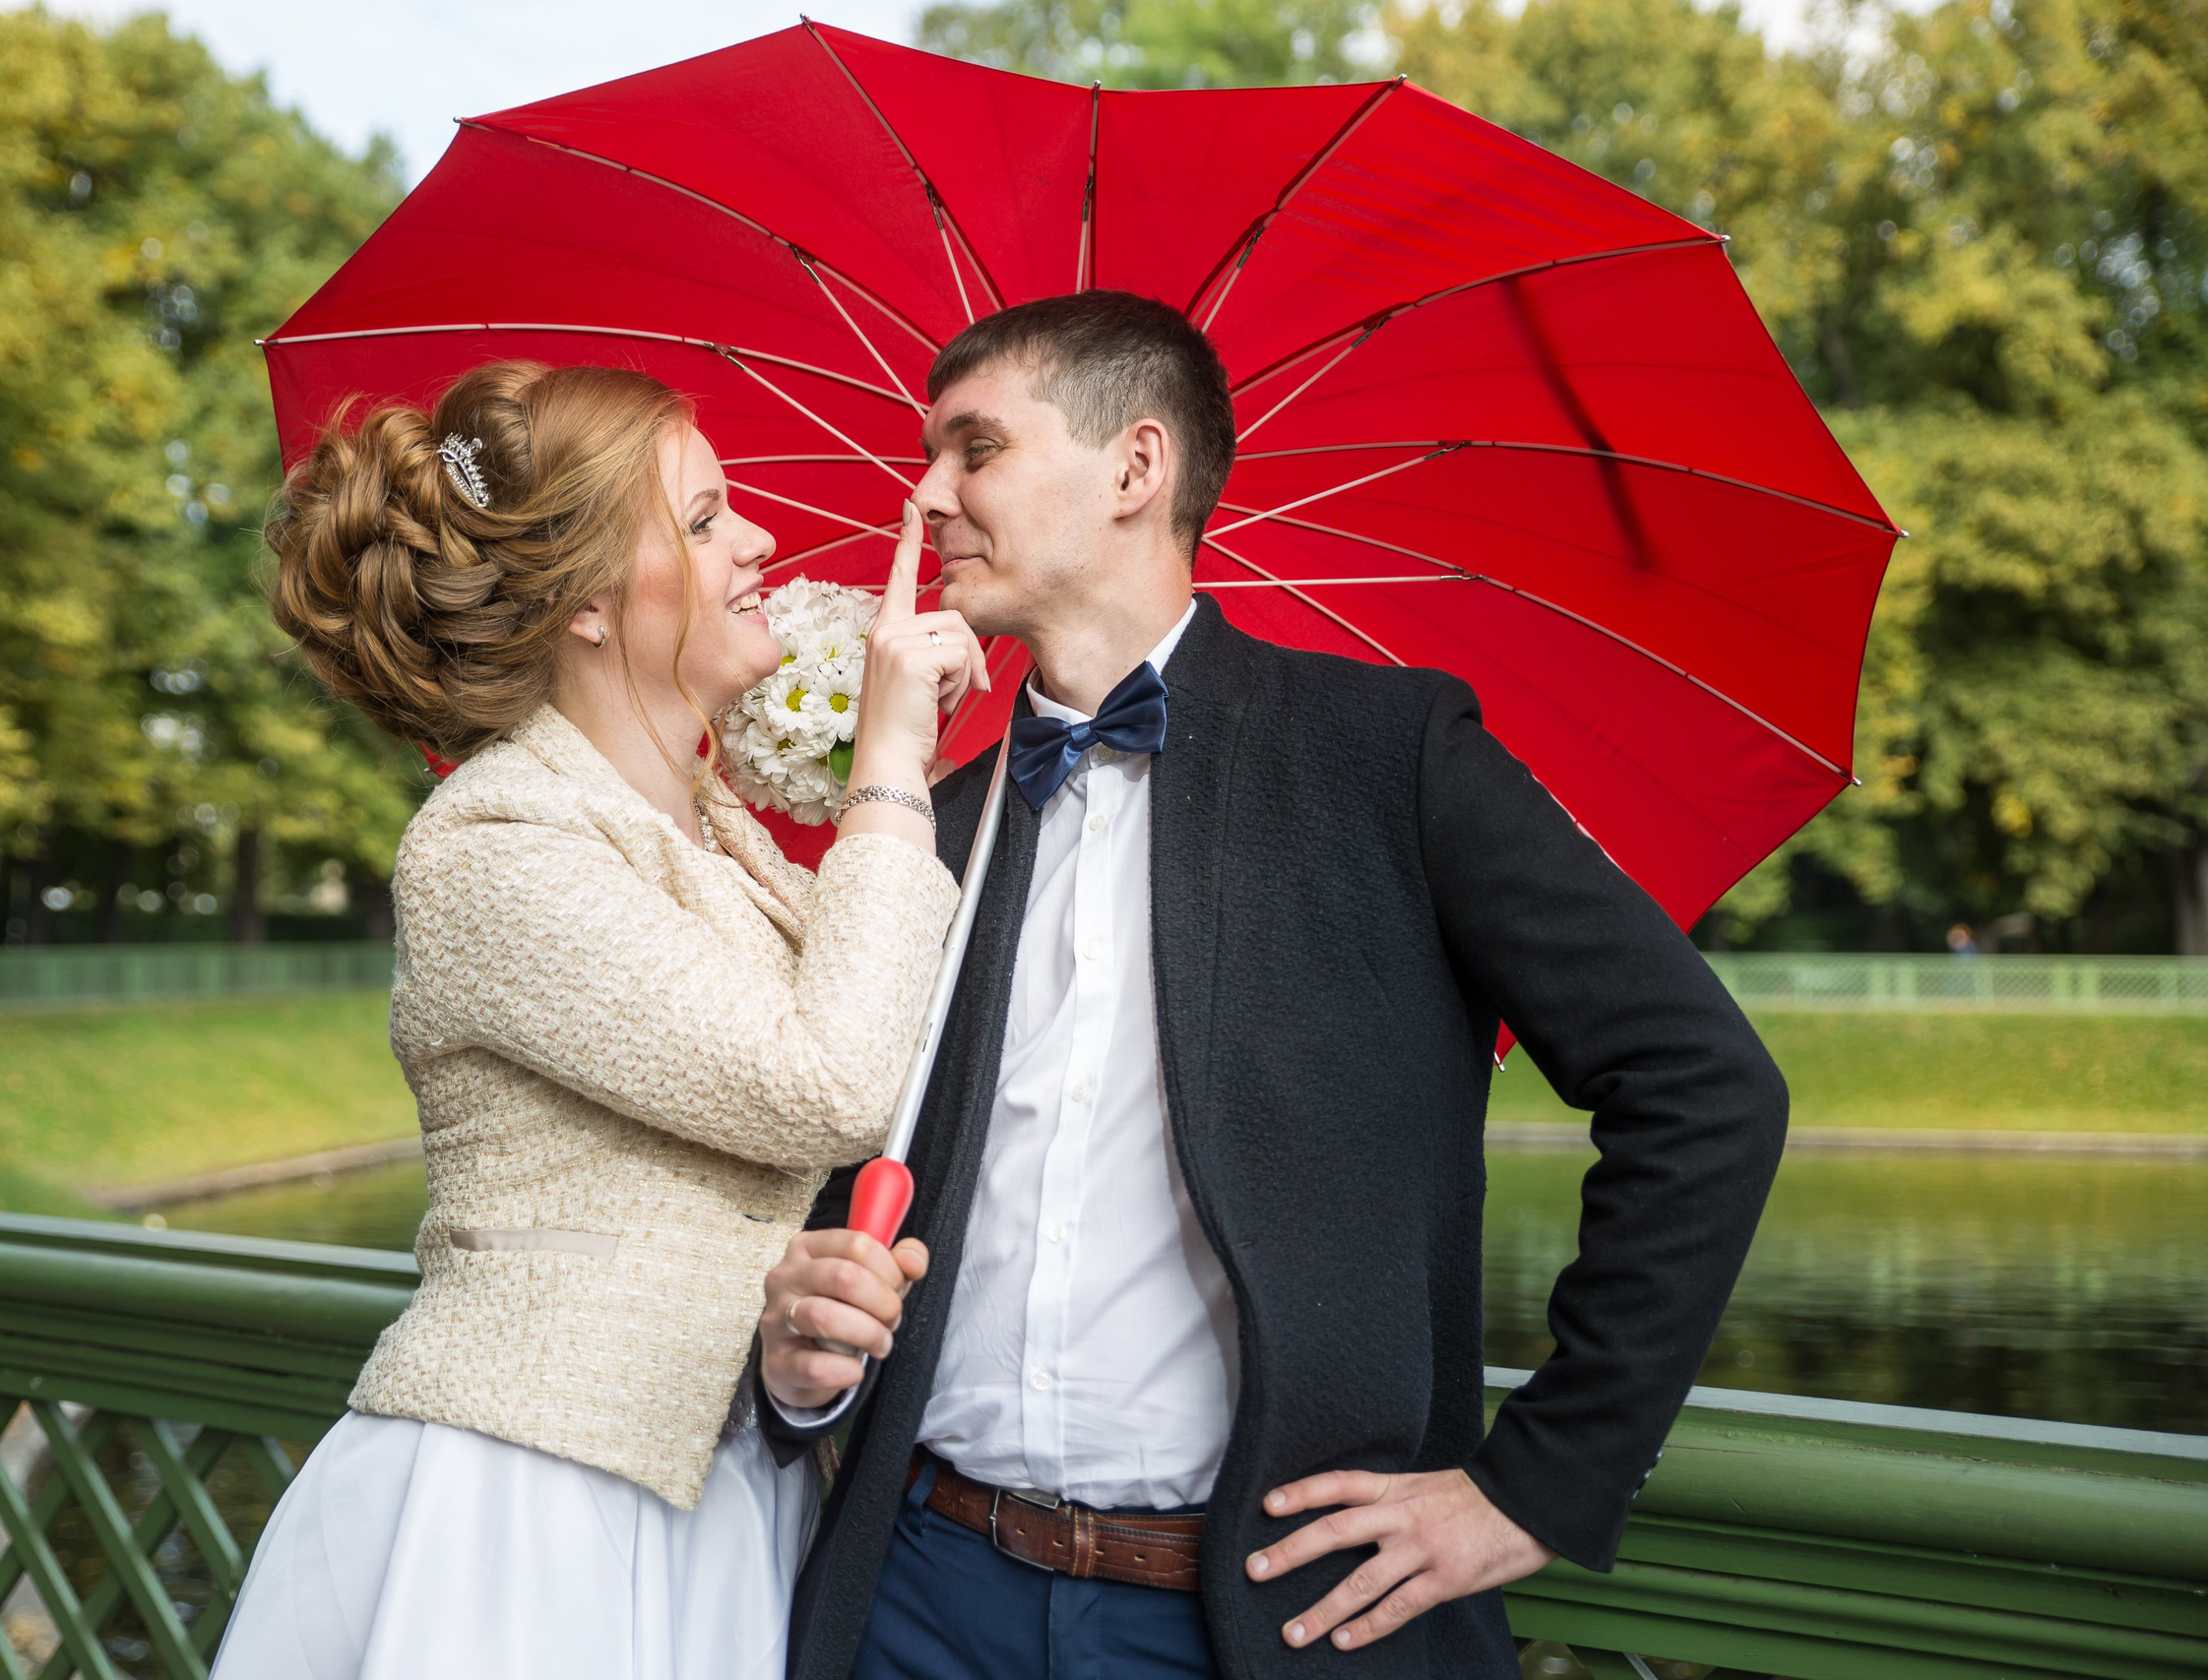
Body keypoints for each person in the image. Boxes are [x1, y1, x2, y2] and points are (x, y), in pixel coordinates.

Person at [755, 293, 1790, 1680]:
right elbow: (834, 1163)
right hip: (917, 1596)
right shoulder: (925, 828)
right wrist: (802, 1369)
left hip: (1267, 1623)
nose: (926, 493)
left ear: (1135, 470)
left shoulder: (1388, 754)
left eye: (974, 448)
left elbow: (1702, 1089)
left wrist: (1536, 1483)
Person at [211, 360, 981, 1680]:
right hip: (529, 1507)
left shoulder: (727, 839)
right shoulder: (494, 843)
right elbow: (829, 1083)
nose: (759, 542)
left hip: (730, 1492)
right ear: (583, 607)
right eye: (703, 518)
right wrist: (891, 768)